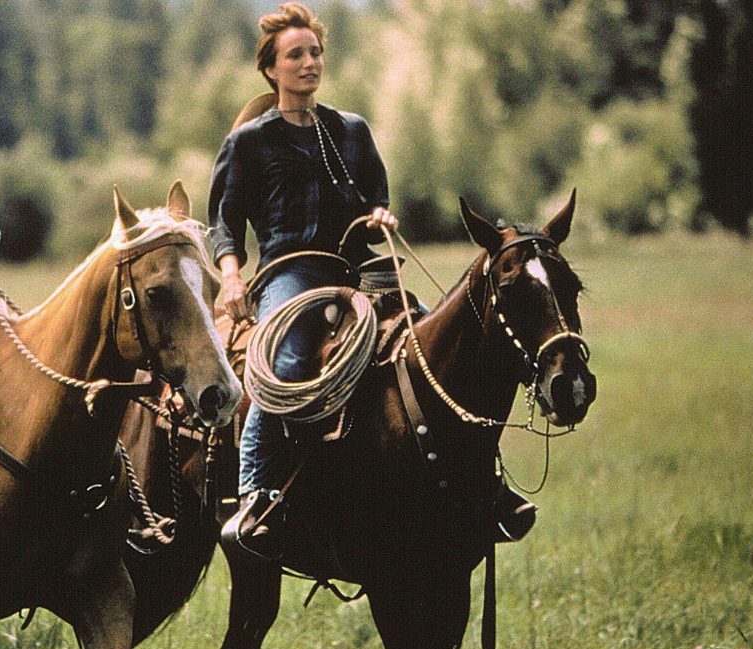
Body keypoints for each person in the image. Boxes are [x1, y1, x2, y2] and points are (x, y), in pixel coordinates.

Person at [212, 3, 534, 556]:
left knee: (431, 350)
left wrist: (380, 214)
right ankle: (254, 496)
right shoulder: (249, 142)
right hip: (288, 278)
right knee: (283, 368)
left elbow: (376, 195)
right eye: (296, 55)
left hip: (356, 273)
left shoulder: (350, 132)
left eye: (315, 52)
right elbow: (224, 222)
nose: (310, 63)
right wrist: (232, 277)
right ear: (271, 69)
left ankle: (482, 484)